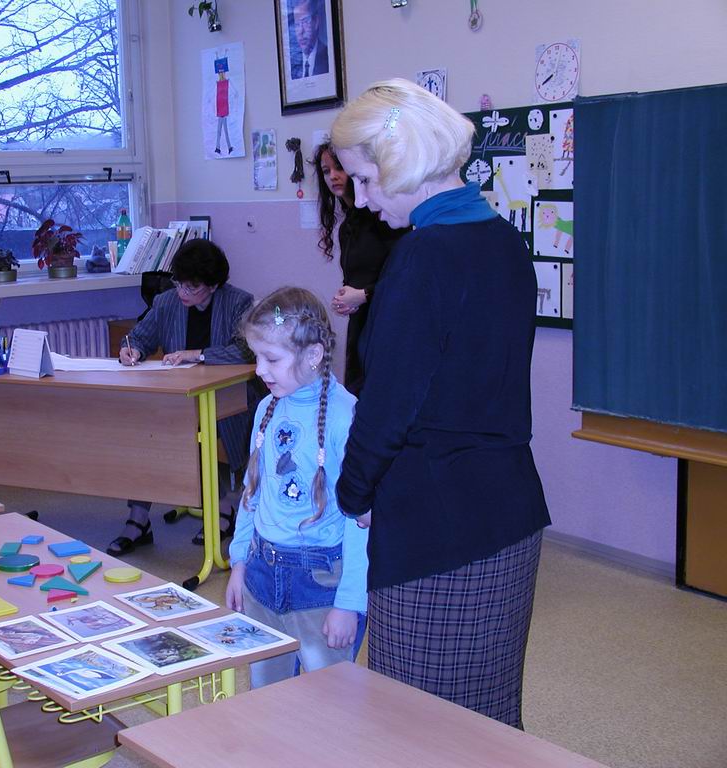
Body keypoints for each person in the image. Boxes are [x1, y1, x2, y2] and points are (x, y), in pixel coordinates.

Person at [330, 79, 551, 729]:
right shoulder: (502, 238)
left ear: (404, 162)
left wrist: (351, 495)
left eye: (365, 179)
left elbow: (387, 404)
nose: (362, 200)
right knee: (487, 719)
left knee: (418, 726)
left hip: (439, 527)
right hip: (506, 511)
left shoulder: (423, 257)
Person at [226, 287, 368, 688]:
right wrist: (239, 563)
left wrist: (349, 603)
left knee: (329, 700)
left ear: (313, 355)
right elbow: (251, 493)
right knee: (266, 696)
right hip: (261, 574)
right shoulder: (267, 408)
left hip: (320, 584)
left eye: (271, 359)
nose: (259, 370)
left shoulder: (346, 417)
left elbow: (361, 521)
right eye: (257, 357)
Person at [109, 239, 253, 556]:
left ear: (213, 285)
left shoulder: (238, 303)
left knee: (198, 431)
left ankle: (222, 506)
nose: (183, 292)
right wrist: (131, 351)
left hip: (227, 400)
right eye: (179, 283)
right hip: (179, 400)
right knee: (145, 431)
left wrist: (197, 355)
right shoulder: (166, 302)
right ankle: (138, 518)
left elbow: (246, 350)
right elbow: (139, 338)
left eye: (193, 287)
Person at [313, 141, 407, 394]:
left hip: (390, 324)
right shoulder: (347, 227)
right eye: (326, 171)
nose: (333, 176)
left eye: (339, 168)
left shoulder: (384, 218)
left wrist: (363, 295)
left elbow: (404, 279)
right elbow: (356, 278)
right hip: (361, 326)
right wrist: (347, 298)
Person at [289, 0, 328, 79]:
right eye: (297, 24)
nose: (301, 31)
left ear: (316, 22)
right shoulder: (291, 63)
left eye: (305, 21)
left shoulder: (328, 57)